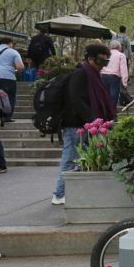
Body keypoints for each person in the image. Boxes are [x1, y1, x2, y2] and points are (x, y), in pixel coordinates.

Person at [52, 44, 116, 205]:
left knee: (81, 158)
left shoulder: (93, 75)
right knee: (70, 158)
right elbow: (76, 99)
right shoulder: (81, 73)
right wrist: (93, 119)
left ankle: (72, 192)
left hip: (85, 124)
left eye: (106, 62)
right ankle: (59, 193)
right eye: (100, 61)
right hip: (75, 124)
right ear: (90, 58)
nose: (103, 66)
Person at [100, 40, 128, 110]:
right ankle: (112, 113)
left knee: (105, 96)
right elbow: (123, 69)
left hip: (103, 76)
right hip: (114, 77)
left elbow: (101, 65)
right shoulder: (121, 55)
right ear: (118, 47)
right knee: (113, 96)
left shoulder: (105, 54)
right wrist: (124, 82)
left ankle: (105, 112)